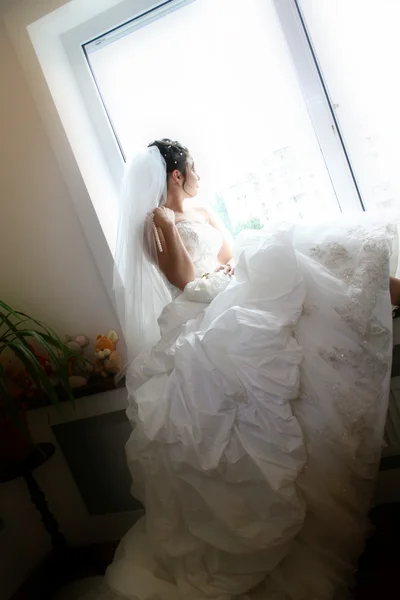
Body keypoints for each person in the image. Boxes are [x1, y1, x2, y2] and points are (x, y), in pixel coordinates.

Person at [79, 139, 398, 600]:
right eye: (193, 169)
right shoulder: (156, 221)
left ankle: (384, 289)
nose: (199, 176)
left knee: (296, 255)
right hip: (199, 306)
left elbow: (228, 260)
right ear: (175, 175)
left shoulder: (205, 212)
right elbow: (184, 279)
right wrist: (172, 228)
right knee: (283, 272)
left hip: (225, 291)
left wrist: (235, 274)